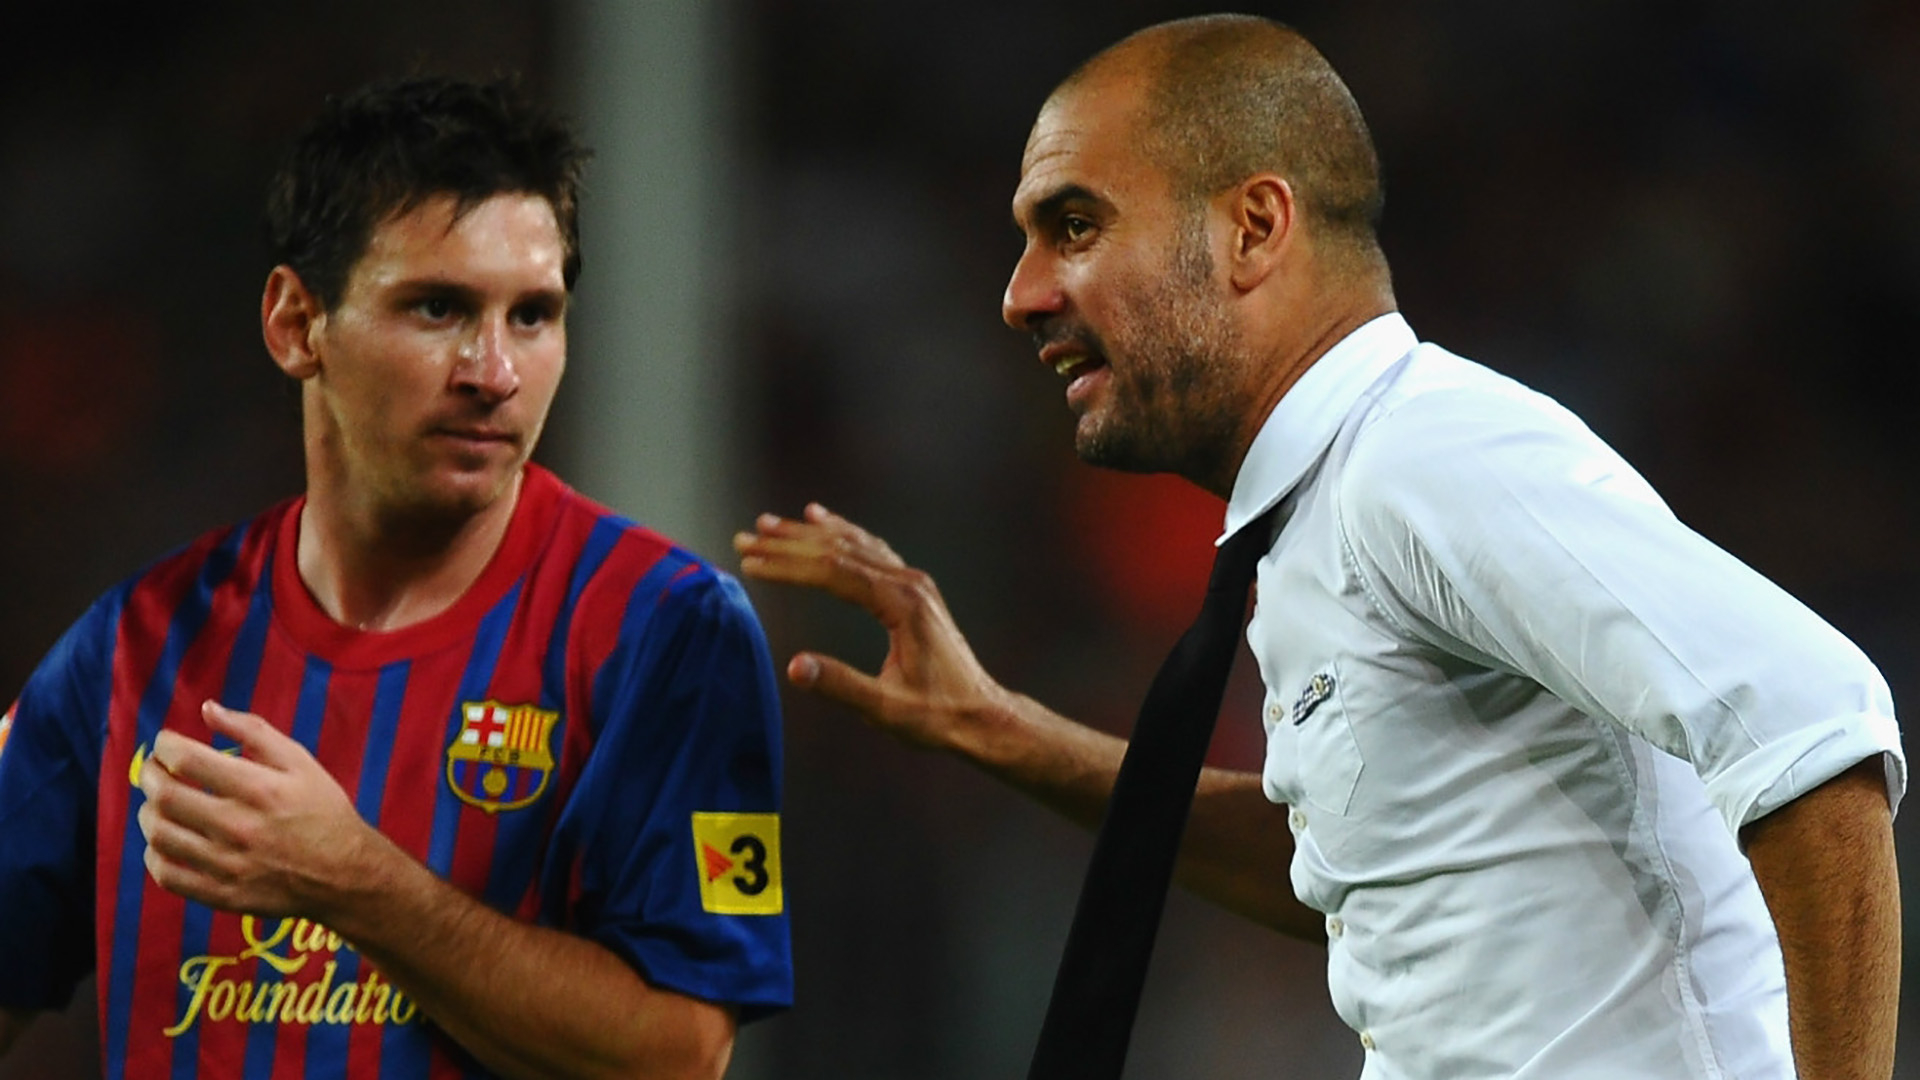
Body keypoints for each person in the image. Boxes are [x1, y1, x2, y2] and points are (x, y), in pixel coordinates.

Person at [735, 14, 1902, 1080]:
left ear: (1252, 229)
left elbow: (1810, 726)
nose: (1022, 293)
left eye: (1076, 226)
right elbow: (1356, 863)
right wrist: (999, 728)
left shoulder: (1424, 457)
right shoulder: (1326, 501)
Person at [0, 75, 790, 1079]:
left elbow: (682, 1054)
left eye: (533, 315)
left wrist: (356, 882)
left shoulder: (664, 631)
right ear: (296, 324)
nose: (494, 371)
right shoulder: (136, 647)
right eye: (438, 307)